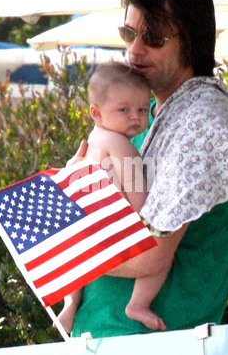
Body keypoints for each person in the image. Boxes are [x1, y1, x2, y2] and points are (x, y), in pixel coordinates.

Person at [68, 0, 228, 340]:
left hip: (157, 352)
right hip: (110, 343)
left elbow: (150, 256)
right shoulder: (141, 115)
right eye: (129, 33)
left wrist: (67, 242)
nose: (134, 49)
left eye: (154, 38)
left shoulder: (204, 121)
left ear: (192, 42)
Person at [58, 61, 169, 334]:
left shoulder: (91, 140)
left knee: (74, 259)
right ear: (96, 112)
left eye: (143, 110)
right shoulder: (123, 146)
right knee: (159, 258)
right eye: (124, 110)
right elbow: (142, 203)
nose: (135, 117)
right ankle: (138, 304)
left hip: (86, 231)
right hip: (113, 230)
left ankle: (70, 302)